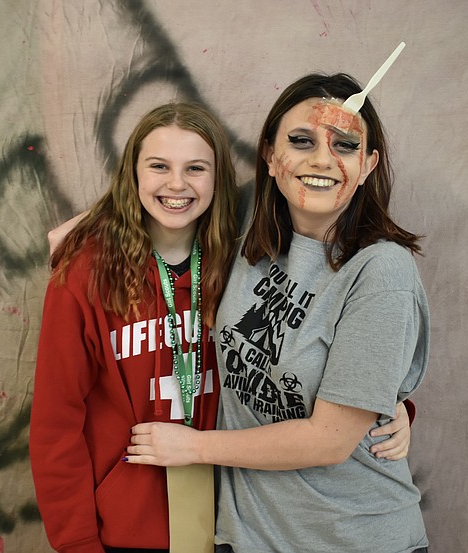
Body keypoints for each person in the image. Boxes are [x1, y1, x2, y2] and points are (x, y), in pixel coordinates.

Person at [125, 73, 430, 553]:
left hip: (353, 539)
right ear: (270, 155)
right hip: (247, 536)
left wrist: (194, 447)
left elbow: (329, 441)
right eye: (302, 140)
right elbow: (165, 198)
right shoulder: (249, 216)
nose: (321, 160)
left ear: (369, 164)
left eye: (345, 146)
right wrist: (76, 237)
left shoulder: (381, 272)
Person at [29, 102, 238, 553]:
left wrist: (390, 410)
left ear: (218, 178)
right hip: (125, 530)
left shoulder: (245, 267)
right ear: (133, 174)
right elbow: (56, 423)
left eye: (196, 168)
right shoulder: (85, 274)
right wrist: (79, 543)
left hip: (239, 526)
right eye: (159, 166)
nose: (177, 184)